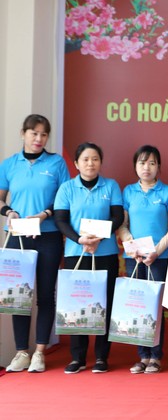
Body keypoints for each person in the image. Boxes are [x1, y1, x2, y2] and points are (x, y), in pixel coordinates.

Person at [0, 114, 70, 373]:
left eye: (43, 134)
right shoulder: (9, 165)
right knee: (19, 297)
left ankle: (40, 352)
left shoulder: (56, 163)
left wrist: (45, 215)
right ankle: (21, 352)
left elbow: (65, 199)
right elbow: (0, 199)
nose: (39, 139)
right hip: (17, 236)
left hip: (48, 235)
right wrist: (8, 211)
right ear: (23, 134)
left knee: (45, 295)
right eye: (34, 133)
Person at [54, 142, 124, 374]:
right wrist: (80, 239)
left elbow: (117, 218)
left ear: (100, 162)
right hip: (77, 253)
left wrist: (98, 238)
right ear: (76, 164)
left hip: (106, 252)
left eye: (95, 159)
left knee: (106, 302)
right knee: (78, 304)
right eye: (85, 159)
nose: (90, 163)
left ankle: (102, 357)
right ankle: (78, 357)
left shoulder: (111, 186)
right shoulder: (66, 188)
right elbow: (61, 220)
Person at [117, 145, 168, 374]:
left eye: (152, 163)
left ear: (159, 167)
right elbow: (122, 225)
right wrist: (131, 246)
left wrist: (158, 250)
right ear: (135, 166)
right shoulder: (127, 192)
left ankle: (155, 356)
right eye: (142, 163)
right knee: (137, 305)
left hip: (159, 257)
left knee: (154, 306)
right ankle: (142, 356)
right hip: (134, 257)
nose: (147, 167)